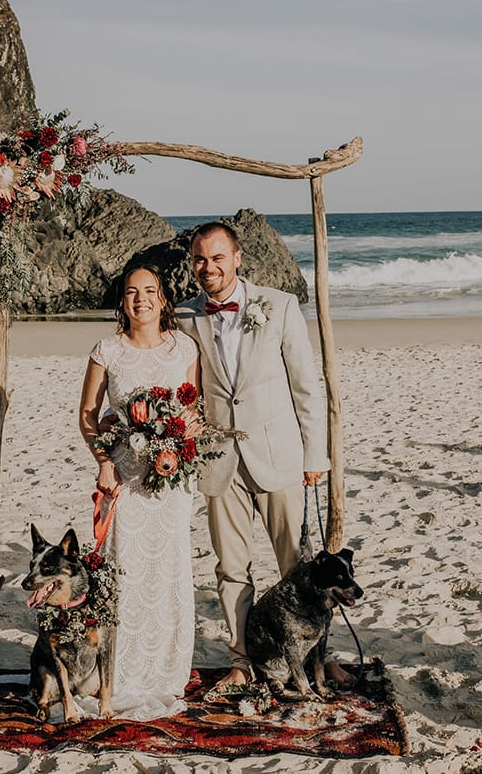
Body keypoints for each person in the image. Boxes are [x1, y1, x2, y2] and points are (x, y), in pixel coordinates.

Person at [177, 221, 352, 688]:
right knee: (231, 568)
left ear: (237, 258)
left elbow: (306, 385)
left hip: (280, 457)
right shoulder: (184, 317)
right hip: (218, 462)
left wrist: (317, 455)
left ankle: (319, 657)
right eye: (199, 258)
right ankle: (240, 659)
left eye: (217, 257)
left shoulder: (280, 306)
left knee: (301, 569)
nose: (207, 267)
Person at [79, 264, 200, 719]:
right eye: (132, 292)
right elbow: (89, 415)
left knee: (169, 570)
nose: (141, 299)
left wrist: (181, 446)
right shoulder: (107, 350)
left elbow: (194, 412)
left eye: (149, 291)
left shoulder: (183, 348)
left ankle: (166, 670)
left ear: (164, 299)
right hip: (125, 482)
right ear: (122, 301)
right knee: (125, 569)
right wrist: (105, 463)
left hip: (172, 483)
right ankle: (120, 670)